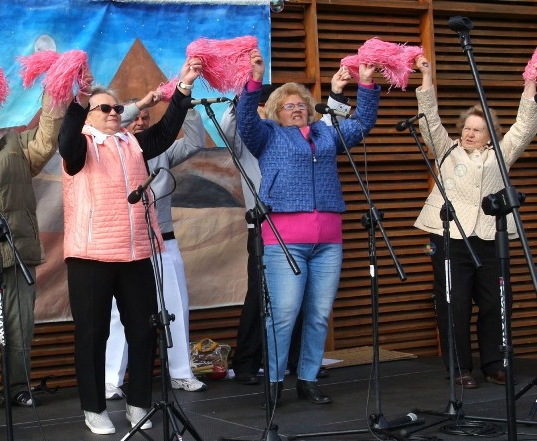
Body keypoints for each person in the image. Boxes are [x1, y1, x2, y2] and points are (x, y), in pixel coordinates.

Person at [58, 58, 202, 434]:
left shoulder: (132, 143)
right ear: (89, 114)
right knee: (93, 335)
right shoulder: (80, 147)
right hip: (91, 256)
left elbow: (168, 131)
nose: (113, 113)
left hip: (137, 251)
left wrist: (183, 87)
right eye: (104, 108)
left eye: (117, 108)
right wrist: (79, 100)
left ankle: (139, 405)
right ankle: (94, 408)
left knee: (144, 330)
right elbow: (65, 141)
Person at [236, 49, 379, 407]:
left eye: (302, 104)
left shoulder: (325, 135)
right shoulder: (267, 135)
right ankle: (273, 381)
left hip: (329, 240)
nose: (297, 108)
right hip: (284, 240)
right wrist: (254, 79)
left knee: (318, 315)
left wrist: (366, 83)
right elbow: (245, 122)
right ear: (275, 112)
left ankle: (308, 378)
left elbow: (363, 123)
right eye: (289, 105)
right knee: (283, 314)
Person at [412, 54, 537, 388]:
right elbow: (428, 121)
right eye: (467, 127)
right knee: (454, 304)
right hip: (450, 237)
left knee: (497, 302)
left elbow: (525, 126)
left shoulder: (503, 152)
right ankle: (459, 368)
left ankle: (494, 363)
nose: (469, 133)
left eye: (478, 130)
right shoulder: (447, 150)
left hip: (490, 236)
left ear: (490, 133)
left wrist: (530, 84)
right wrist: (426, 78)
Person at [223, 72, 352, 386]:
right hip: (268, 225)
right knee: (266, 300)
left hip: (312, 228)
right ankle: (249, 363)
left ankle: (298, 364)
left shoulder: (308, 137)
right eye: (282, 104)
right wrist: (245, 96)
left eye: (299, 104)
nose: (294, 109)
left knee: (306, 304)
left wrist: (337, 94)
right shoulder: (258, 134)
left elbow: (332, 126)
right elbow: (233, 126)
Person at [0, 90, 65, 413]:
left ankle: (18, 387)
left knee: (21, 326)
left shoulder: (17, 147)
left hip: (18, 253)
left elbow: (47, 136)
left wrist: (56, 96)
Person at [104, 91, 207, 401]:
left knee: (175, 307)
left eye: (145, 118)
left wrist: (185, 105)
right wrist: (139, 105)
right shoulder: (109, 149)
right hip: (124, 243)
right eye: (134, 117)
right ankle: (111, 379)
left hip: (163, 239)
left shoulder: (162, 151)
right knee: (120, 313)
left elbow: (194, 142)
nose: (140, 121)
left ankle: (180, 373)